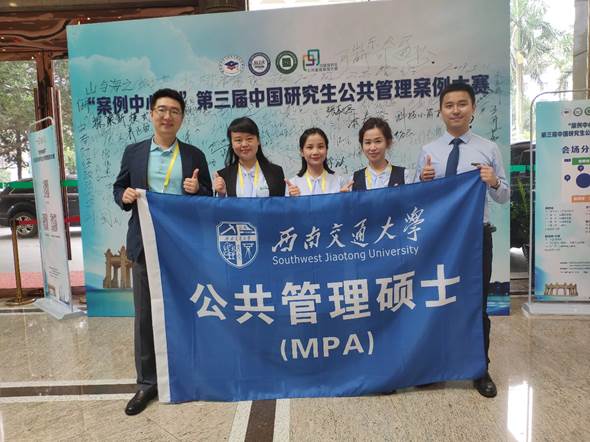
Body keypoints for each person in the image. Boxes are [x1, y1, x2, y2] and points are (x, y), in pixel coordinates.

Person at [113, 88, 212, 415]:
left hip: (184, 245)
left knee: (189, 309)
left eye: (174, 111)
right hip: (146, 242)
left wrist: (197, 190)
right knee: (145, 314)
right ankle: (147, 382)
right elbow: (119, 186)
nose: (167, 116)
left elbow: (208, 198)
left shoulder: (194, 155)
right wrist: (124, 196)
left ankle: (190, 372)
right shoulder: (135, 152)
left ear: (182, 118)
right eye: (162, 110)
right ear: (151, 114)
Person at [414, 82, 509, 398]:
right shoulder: (429, 151)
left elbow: (504, 197)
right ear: (440, 111)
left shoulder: (488, 149)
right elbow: (418, 199)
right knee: (437, 301)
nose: (455, 110)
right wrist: (423, 181)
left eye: (462, 104)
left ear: (473, 109)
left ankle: (480, 369)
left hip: (476, 238)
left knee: (476, 303)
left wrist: (493, 182)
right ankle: (436, 366)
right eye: (449, 105)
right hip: (439, 239)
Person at [214, 117, 285, 197]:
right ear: (232, 144)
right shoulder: (223, 176)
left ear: (258, 141)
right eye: (238, 140)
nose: (244, 144)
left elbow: (281, 203)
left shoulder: (276, 172)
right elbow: (220, 205)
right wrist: (221, 194)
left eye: (249, 139)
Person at [286, 127, 349, 196]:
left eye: (320, 147)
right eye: (310, 147)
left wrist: (345, 199)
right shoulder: (293, 185)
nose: (315, 152)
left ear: (327, 150)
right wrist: (291, 200)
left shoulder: (339, 181)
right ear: (302, 152)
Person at [352, 117, 411, 190]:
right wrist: (344, 196)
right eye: (368, 142)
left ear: (388, 143)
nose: (372, 148)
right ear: (362, 145)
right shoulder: (354, 180)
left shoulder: (403, 175)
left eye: (378, 141)